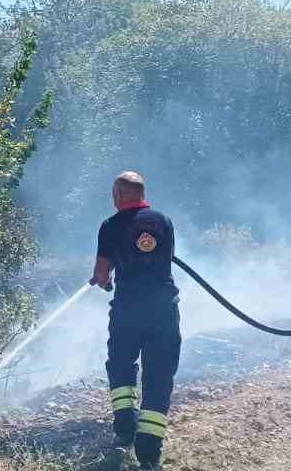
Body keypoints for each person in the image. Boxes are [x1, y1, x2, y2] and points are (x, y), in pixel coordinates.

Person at [90, 171, 181, 470]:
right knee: (159, 376)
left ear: (118, 194)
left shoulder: (110, 226)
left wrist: (103, 280)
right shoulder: (163, 221)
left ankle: (125, 427)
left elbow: (103, 274)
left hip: (128, 311)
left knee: (121, 366)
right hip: (163, 311)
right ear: (141, 194)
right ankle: (149, 451)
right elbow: (168, 258)